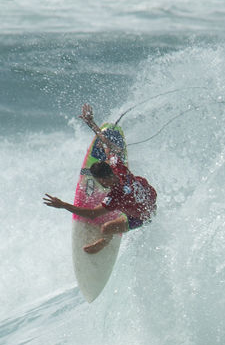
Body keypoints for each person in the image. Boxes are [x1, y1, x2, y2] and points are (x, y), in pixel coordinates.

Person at [43, 105, 157, 254]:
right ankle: (131, 208)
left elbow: (93, 214)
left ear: (103, 180)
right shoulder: (117, 166)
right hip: (149, 196)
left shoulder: (115, 196)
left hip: (144, 215)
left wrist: (63, 204)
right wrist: (92, 123)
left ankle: (105, 241)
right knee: (132, 182)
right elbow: (107, 147)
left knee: (106, 227)